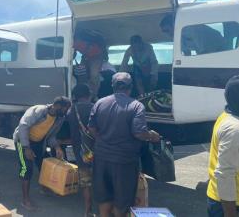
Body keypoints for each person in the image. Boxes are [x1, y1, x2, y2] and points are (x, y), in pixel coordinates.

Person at [88, 72, 160, 217]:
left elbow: (91, 128)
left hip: (101, 157)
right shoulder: (136, 106)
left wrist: (104, 139)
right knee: (122, 201)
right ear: (131, 87)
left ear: (113, 86)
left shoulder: (100, 102)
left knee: (104, 196)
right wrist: (153, 136)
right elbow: (139, 133)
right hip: (124, 161)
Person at [13, 96, 71, 211]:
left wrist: (57, 147)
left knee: (45, 165)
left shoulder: (59, 118)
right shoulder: (38, 110)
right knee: (27, 168)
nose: (66, 112)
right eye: (66, 108)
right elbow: (23, 126)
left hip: (39, 143)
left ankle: (44, 188)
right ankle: (25, 200)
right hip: (23, 141)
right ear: (58, 106)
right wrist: (26, 147)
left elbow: (51, 136)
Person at [206, 75, 239, 217]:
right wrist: (230, 214)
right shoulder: (235, 129)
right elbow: (225, 173)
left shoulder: (226, 115)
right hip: (229, 204)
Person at [67, 84, 95, 216]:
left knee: (86, 182)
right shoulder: (95, 107)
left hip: (81, 151)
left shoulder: (71, 110)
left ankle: (87, 210)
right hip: (98, 150)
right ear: (88, 94)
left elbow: (71, 133)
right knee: (101, 179)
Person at [160, 14, 226, 56]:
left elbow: (202, 52)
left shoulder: (192, 29)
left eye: (167, 30)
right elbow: (186, 53)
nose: (167, 34)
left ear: (174, 25)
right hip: (208, 53)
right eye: (164, 31)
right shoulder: (179, 35)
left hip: (221, 50)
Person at [73, 29, 106, 101]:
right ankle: (83, 94)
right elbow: (73, 53)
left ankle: (93, 96)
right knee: (82, 74)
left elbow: (102, 48)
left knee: (94, 75)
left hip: (96, 56)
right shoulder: (74, 43)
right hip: (85, 56)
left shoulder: (92, 40)